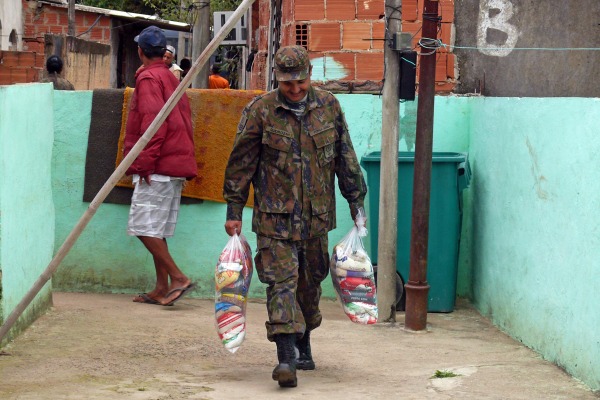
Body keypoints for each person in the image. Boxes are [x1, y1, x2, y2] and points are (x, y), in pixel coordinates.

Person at [223, 45, 367, 388]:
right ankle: (285, 358)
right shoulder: (261, 111)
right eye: (288, 84)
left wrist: (356, 202)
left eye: (300, 83)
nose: (295, 90)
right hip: (275, 219)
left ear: (309, 76)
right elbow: (241, 163)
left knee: (309, 286)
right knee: (280, 284)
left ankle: (304, 342)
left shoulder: (329, 107)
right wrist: (233, 208)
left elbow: (345, 157)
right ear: (278, 79)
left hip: (317, 219)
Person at [124, 26, 197, 307]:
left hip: (159, 165)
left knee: (143, 227)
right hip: (172, 164)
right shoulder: (169, 76)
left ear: (141, 52)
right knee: (156, 229)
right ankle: (160, 287)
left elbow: (154, 126)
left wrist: (143, 165)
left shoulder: (149, 78)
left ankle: (178, 278)